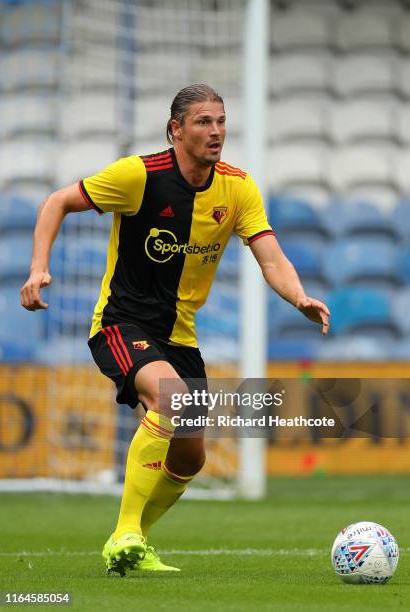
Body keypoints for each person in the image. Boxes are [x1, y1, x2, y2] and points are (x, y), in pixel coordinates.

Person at [21, 83, 330, 576]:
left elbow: (270, 256)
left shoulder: (238, 187)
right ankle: (124, 531)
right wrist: (38, 268)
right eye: (204, 122)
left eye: (221, 121)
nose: (216, 132)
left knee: (191, 455)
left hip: (180, 336)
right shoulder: (138, 176)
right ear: (176, 129)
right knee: (173, 399)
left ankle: (134, 542)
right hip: (121, 323)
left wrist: (299, 297)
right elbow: (57, 201)